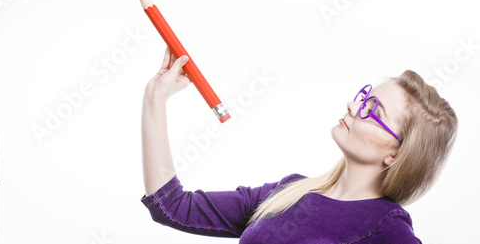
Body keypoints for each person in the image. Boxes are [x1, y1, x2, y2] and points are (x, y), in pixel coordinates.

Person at [140, 47, 458, 243]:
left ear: (395, 153)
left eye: (373, 111)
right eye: (365, 98)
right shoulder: (288, 192)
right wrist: (156, 98)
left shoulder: (386, 228)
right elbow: (172, 207)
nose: (353, 106)